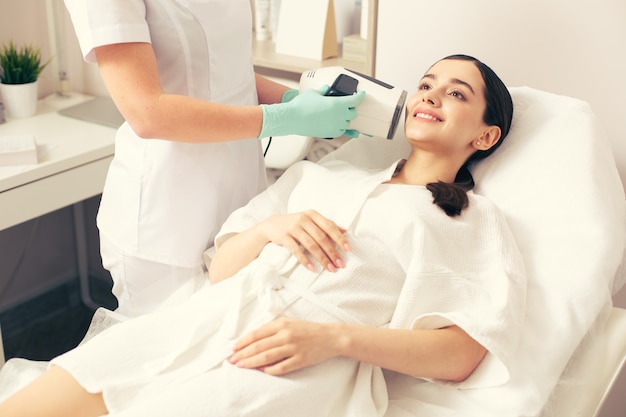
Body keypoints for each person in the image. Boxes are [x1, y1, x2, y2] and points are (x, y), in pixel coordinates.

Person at [0, 55, 525, 417]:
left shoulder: (468, 220)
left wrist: (335, 339)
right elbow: (221, 268)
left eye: (456, 93)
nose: (430, 96)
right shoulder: (324, 177)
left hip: (294, 361)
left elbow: (461, 354)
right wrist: (272, 228)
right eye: (427, 85)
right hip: (204, 320)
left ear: (484, 135)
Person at [63, 0, 366, 317]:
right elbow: (148, 113)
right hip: (167, 219)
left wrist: (293, 100)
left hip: (241, 200)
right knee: (173, 353)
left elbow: (219, 67)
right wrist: (285, 118)